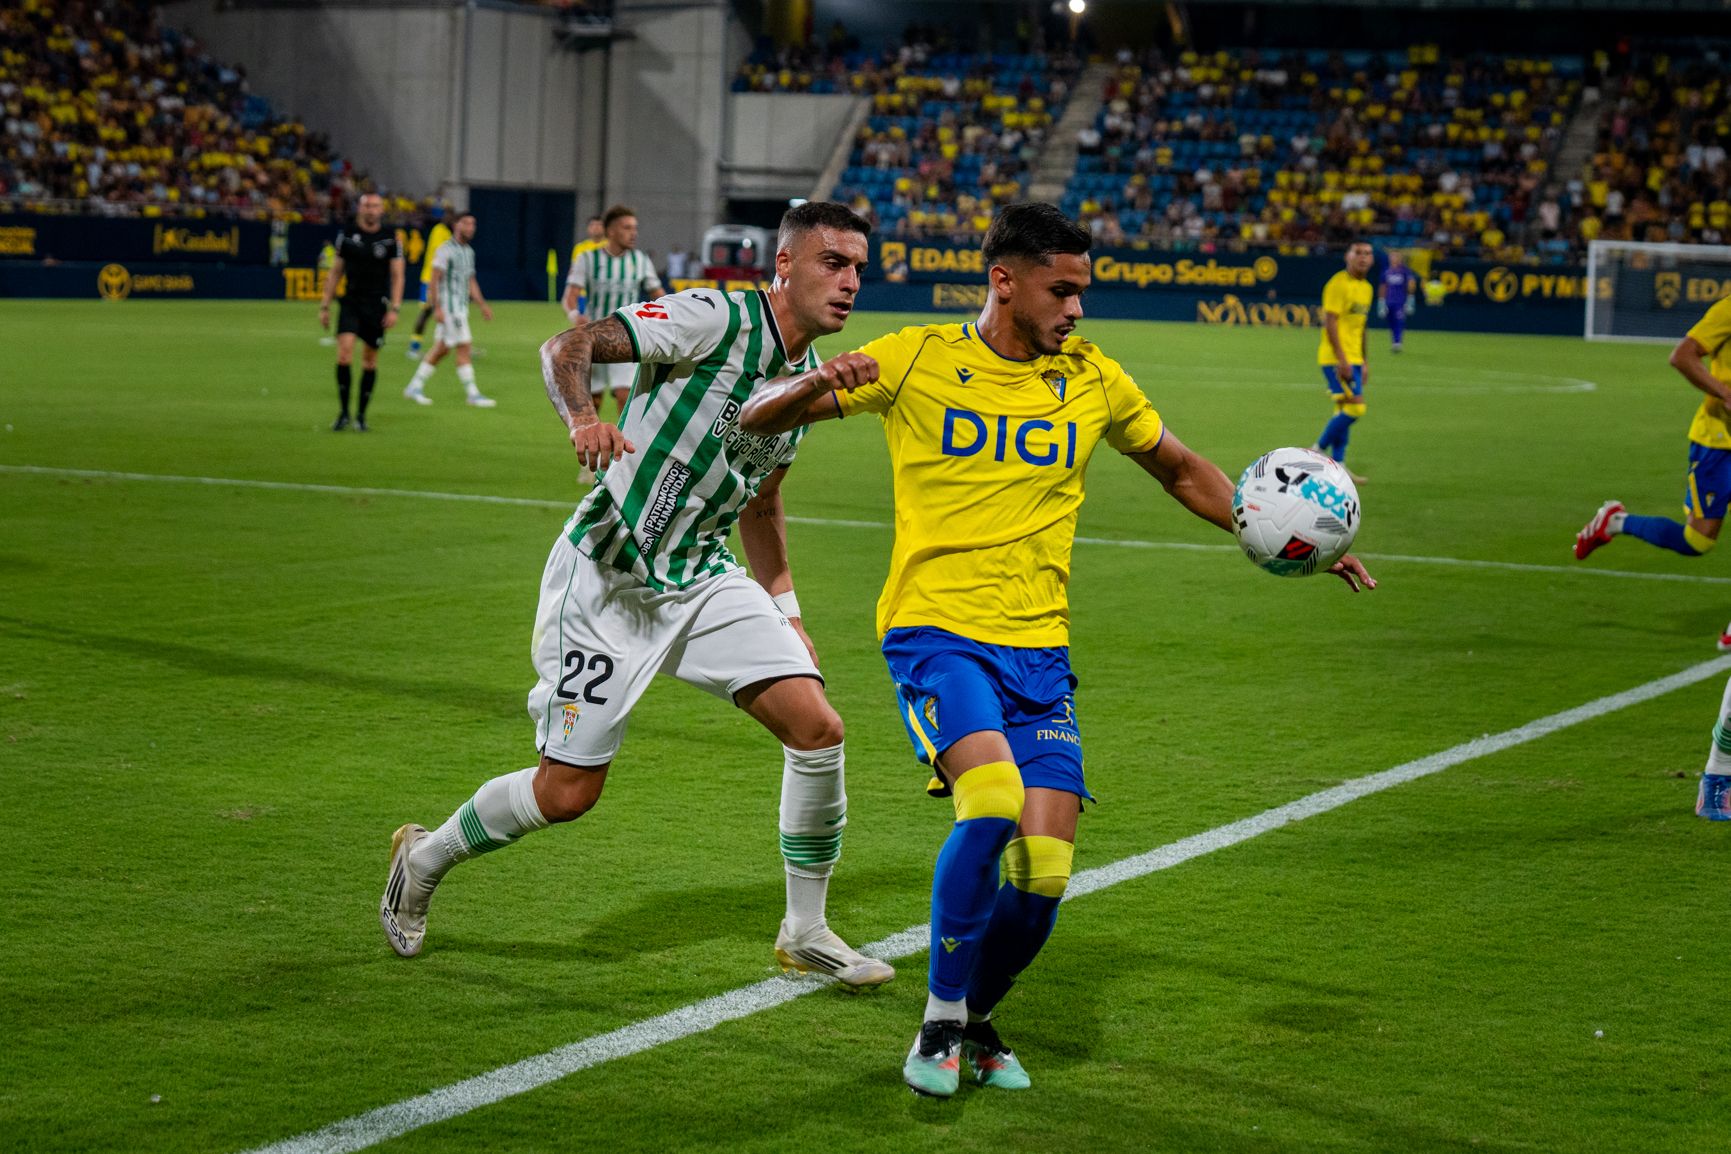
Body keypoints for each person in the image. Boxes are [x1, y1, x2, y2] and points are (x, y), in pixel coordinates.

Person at [738, 203, 1376, 1098]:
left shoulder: (1092, 378)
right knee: (990, 798)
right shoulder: (917, 355)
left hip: (1038, 648)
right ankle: (939, 1022)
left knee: (1044, 872)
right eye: (1061, 290)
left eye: (1082, 291)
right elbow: (755, 419)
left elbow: (1180, 468)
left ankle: (979, 1019)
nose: (1077, 309)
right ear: (1004, 281)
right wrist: (811, 386)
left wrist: (1276, 531)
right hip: (936, 631)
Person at [379, 201, 894, 991]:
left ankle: (805, 931)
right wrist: (583, 418)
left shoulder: (801, 381)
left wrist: (788, 613)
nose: (851, 281)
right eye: (834, 262)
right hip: (608, 576)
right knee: (566, 792)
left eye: (859, 266)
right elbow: (570, 342)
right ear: (784, 265)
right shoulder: (714, 317)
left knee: (818, 729)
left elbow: (761, 501)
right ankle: (425, 854)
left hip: (700, 573)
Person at [1575, 295, 1731, 582]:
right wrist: (1725, 393)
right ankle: (1616, 522)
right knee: (1698, 541)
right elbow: (1682, 356)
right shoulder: (1728, 311)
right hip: (1719, 443)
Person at [564, 205, 665, 418]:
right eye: (627, 227)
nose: (633, 233)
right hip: (594, 337)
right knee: (595, 400)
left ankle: (623, 451)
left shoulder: (640, 260)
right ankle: (594, 448)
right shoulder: (588, 259)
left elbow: (659, 296)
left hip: (626, 337)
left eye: (634, 228)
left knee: (624, 396)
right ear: (610, 231)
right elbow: (570, 297)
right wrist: (575, 316)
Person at [318, 192, 404, 432]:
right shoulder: (346, 235)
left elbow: (398, 275)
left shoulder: (390, 239)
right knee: (344, 354)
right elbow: (335, 272)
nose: (371, 209)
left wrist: (395, 307)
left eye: (375, 206)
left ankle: (361, 415)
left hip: (377, 305)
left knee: (369, 360)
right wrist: (325, 305)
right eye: (367, 205)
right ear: (360, 208)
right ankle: (344, 412)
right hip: (351, 302)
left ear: (381, 210)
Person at [403, 212, 496, 408]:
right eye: (466, 223)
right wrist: (437, 308)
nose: (470, 227)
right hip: (449, 308)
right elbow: (434, 279)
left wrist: (482, 304)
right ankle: (472, 393)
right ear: (456, 225)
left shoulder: (469, 251)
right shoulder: (445, 250)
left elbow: (470, 281)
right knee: (464, 347)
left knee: (442, 349)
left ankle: (414, 386)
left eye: (473, 224)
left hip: (461, 307)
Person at [1313, 240, 1375, 483]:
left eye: (1368, 254)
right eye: (1358, 252)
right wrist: (1342, 359)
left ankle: (1338, 464)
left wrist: (1365, 361)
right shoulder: (1338, 284)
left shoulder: (1367, 288)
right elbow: (1330, 322)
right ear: (1348, 257)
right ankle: (1317, 450)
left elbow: (1361, 327)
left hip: (1355, 358)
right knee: (1355, 407)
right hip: (1336, 358)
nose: (1363, 257)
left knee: (1342, 408)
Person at [406, 209, 452, 361]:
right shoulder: (440, 231)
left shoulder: (445, 232)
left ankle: (454, 345)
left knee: (450, 313)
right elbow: (441, 255)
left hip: (441, 280)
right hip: (430, 279)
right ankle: (414, 348)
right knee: (426, 313)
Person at [1378, 250, 1417, 353]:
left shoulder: (1405, 271)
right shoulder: (1386, 271)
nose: (1393, 259)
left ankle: (1398, 342)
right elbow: (1383, 286)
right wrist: (1381, 302)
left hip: (1400, 300)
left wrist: (1410, 299)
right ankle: (1394, 341)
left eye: (1395, 257)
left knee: (1399, 321)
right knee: (1390, 321)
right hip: (1388, 300)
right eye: (1392, 257)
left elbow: (1411, 283)